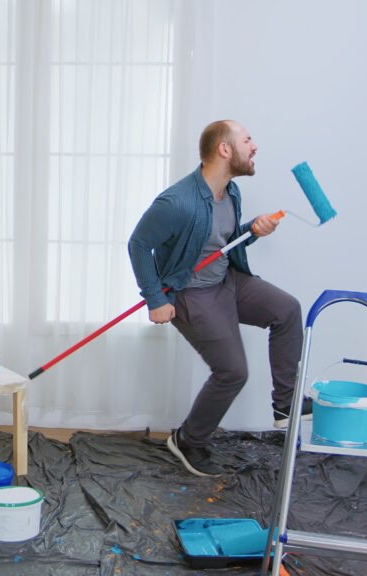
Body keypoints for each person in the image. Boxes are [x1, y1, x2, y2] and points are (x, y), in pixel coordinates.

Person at [127, 120, 307, 478]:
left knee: (287, 309)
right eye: (248, 140)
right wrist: (154, 299)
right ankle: (189, 440)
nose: (254, 147)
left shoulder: (231, 192)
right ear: (225, 149)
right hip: (191, 293)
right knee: (233, 372)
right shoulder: (177, 202)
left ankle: (286, 408)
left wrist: (251, 231)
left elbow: (217, 243)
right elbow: (138, 245)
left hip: (226, 279)